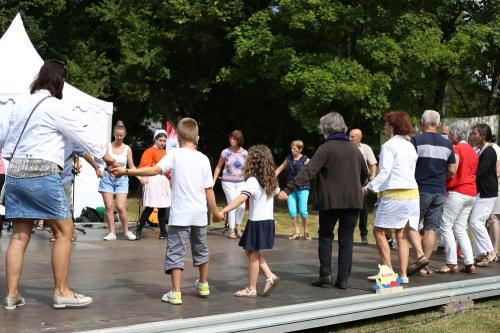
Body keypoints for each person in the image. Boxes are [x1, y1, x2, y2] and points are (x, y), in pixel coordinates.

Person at [0, 60, 117, 310]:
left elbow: (1, 137)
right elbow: (82, 136)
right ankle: (62, 291)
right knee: (65, 231)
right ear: (60, 81)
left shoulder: (19, 103)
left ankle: (12, 294)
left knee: (20, 236)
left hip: (15, 173)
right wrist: (107, 159)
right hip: (42, 173)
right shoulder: (55, 106)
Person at [110, 118, 222, 305]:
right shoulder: (203, 159)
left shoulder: (175, 155)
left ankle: (175, 293)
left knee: (176, 252)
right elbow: (208, 189)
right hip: (200, 215)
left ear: (176, 137)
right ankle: (203, 284)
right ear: (197, 138)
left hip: (180, 216)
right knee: (201, 250)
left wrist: (127, 172)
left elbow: (154, 170)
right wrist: (216, 212)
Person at [277, 112, 368, 290]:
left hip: (330, 201)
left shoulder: (326, 148)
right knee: (346, 240)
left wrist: (287, 190)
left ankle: (325, 274)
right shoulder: (354, 149)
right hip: (353, 201)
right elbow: (365, 174)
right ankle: (343, 280)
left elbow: (308, 171)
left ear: (326, 129)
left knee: (326, 236)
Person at [363, 111, 419, 283]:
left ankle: (387, 273)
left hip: (395, 194)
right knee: (402, 235)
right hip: (412, 194)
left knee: (379, 231)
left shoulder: (389, 146)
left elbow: (385, 171)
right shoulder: (410, 145)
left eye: (386, 124)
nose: (385, 127)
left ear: (392, 127)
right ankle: (403, 274)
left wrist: (369, 187)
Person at [221, 145, 281, 297]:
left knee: (253, 254)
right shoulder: (270, 180)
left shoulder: (253, 181)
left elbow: (241, 198)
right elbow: (280, 195)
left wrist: (224, 210)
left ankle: (251, 288)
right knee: (250, 251)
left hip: (257, 223)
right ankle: (269, 276)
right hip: (267, 221)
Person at [407, 110, 456, 277]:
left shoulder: (416, 141)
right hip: (439, 190)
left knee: (410, 225)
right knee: (431, 228)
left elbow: (408, 166)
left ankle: (420, 258)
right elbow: (452, 170)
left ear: (422, 121)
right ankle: (424, 265)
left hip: (420, 189)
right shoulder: (447, 144)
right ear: (438, 123)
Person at [437, 121, 478, 274]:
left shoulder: (457, 148)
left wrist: (442, 177)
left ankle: (451, 262)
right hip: (471, 192)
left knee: (445, 225)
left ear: (454, 133)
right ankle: (469, 262)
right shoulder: (473, 151)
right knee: (460, 228)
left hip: (458, 191)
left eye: (450, 134)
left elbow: (453, 170)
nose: (449, 136)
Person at [98, 121, 137, 241]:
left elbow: (132, 167)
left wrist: (140, 176)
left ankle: (126, 231)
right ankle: (112, 233)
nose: (119, 137)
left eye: (121, 135)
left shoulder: (127, 149)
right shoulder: (107, 146)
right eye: (117, 135)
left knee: (120, 206)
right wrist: (98, 169)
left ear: (125, 135)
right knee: (109, 206)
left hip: (122, 179)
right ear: (114, 134)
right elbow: (100, 160)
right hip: (107, 178)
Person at [469, 123, 499, 266]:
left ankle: (491, 252)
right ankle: (482, 253)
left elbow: (480, 172)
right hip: (481, 191)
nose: (472, 136)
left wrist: (467, 179)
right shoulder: (479, 150)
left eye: (475, 133)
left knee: (476, 222)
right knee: (475, 222)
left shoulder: (489, 151)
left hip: (488, 192)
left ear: (483, 135)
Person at [135, 129, 171, 240]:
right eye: (160, 140)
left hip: (163, 181)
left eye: (164, 141)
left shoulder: (165, 153)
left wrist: (170, 179)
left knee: (162, 207)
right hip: (153, 180)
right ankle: (139, 230)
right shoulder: (149, 151)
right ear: (155, 140)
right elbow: (144, 166)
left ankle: (163, 232)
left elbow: (168, 169)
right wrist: (143, 177)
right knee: (150, 206)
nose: (162, 143)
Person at [213, 130, 248, 239]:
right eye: (231, 138)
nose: (232, 141)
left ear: (239, 140)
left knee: (241, 206)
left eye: (234, 139)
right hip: (227, 181)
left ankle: (238, 226)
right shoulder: (225, 152)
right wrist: (213, 181)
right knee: (233, 204)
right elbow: (219, 167)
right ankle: (231, 229)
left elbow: (247, 168)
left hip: (241, 182)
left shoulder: (245, 153)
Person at [275, 140, 311, 240]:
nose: (292, 150)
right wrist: (272, 176)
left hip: (303, 187)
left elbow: (312, 169)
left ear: (300, 149)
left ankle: (306, 231)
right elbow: (280, 168)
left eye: (294, 149)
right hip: (290, 188)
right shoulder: (289, 158)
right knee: (292, 210)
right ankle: (296, 232)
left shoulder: (305, 159)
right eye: (291, 148)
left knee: (303, 210)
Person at [349, 128, 378, 244]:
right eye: (349, 136)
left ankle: (363, 234)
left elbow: (373, 164)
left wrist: (373, 175)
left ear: (359, 138)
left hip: (361, 182)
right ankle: (348, 233)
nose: (349, 139)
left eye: (352, 137)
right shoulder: (346, 147)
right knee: (348, 209)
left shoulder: (366, 148)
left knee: (362, 209)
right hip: (347, 182)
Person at [486, 140, 500, 258]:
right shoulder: (479, 148)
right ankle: (489, 250)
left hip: (494, 189)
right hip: (487, 189)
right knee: (488, 220)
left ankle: (494, 251)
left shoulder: (495, 148)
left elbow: (498, 170)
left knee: (493, 218)